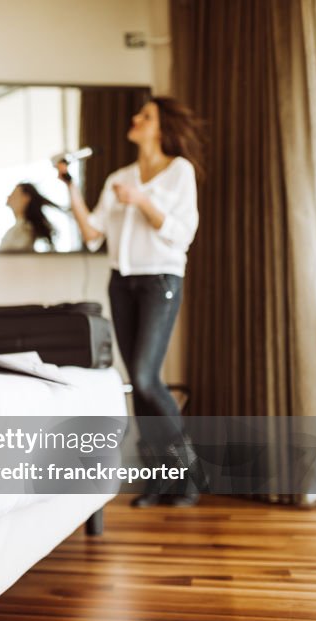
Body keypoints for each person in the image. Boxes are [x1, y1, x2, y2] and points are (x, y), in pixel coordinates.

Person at [58, 97, 205, 508]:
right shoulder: (118, 177)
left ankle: (187, 470)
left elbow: (181, 233)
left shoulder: (179, 171)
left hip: (161, 280)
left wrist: (141, 201)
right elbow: (92, 233)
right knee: (140, 389)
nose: (135, 119)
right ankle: (161, 481)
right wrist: (70, 185)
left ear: (161, 128)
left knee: (144, 377)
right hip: (121, 283)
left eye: (145, 116)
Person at [0, 182, 60, 252]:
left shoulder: (27, 230)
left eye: (14, 194)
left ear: (26, 198)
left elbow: (0, 263)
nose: (9, 197)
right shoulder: (17, 229)